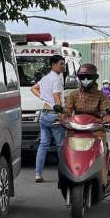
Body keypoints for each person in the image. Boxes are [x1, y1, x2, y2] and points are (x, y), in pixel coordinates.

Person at [64, 63, 110, 185]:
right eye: (82, 77)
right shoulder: (73, 94)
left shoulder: (101, 95)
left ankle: (103, 178)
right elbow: (67, 112)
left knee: (104, 147)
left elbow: (105, 111)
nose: (85, 80)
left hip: (95, 130)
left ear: (95, 78)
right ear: (79, 78)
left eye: (88, 77)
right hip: (76, 129)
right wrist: (62, 118)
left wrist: (107, 117)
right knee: (64, 147)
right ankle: (65, 175)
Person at [31, 54, 66, 183]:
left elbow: (33, 88)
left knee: (43, 145)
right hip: (53, 115)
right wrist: (62, 116)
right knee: (61, 146)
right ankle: (64, 174)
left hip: (44, 114)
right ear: (53, 65)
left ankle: (38, 174)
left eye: (63, 63)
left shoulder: (45, 78)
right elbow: (57, 98)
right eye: (61, 64)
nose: (63, 66)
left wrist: (43, 98)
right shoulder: (56, 79)